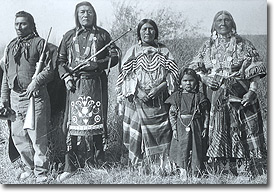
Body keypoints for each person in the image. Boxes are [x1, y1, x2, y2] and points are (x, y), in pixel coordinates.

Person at [189, 10, 267, 176]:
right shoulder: (207, 45)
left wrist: (252, 91)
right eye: (219, 20)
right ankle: (222, 167)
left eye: (227, 20)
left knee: (241, 128)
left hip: (240, 93)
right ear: (214, 24)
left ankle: (244, 166)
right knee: (218, 128)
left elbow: (255, 70)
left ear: (233, 23)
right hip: (215, 94)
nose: (223, 23)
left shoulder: (244, 44)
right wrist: (204, 78)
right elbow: (195, 67)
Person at [56, 1, 120, 182]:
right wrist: (66, 78)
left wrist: (97, 64)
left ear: (94, 14)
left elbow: (114, 56)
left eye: (89, 12)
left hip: (96, 84)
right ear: (77, 15)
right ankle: (71, 166)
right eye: (82, 12)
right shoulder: (69, 36)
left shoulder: (103, 35)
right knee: (72, 125)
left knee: (97, 124)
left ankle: (98, 164)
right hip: (74, 86)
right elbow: (60, 62)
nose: (86, 15)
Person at [116, 19, 178, 174]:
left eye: (151, 29)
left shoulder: (164, 51)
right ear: (139, 32)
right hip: (137, 100)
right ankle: (141, 166)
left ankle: (160, 167)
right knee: (138, 133)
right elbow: (125, 75)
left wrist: (160, 87)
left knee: (162, 132)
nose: (147, 32)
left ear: (155, 32)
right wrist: (138, 92)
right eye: (144, 29)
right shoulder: (134, 51)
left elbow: (173, 74)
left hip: (159, 100)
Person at [0, 11, 54, 183]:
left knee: (37, 137)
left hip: (35, 97)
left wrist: (36, 82)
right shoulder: (11, 46)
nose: (19, 27)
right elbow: (6, 75)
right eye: (16, 24)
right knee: (18, 137)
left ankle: (41, 172)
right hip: (15, 99)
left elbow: (50, 69)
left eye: (23, 24)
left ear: (31, 25)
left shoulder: (40, 44)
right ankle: (30, 169)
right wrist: (4, 97)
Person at [165, 68, 210, 181]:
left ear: (196, 82)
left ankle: (196, 172)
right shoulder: (177, 96)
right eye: (185, 81)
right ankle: (183, 171)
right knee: (181, 148)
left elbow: (206, 113)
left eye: (191, 80)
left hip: (196, 126)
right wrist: (174, 129)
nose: (188, 83)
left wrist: (205, 126)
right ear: (180, 82)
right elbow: (172, 113)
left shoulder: (199, 96)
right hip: (181, 126)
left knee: (196, 147)